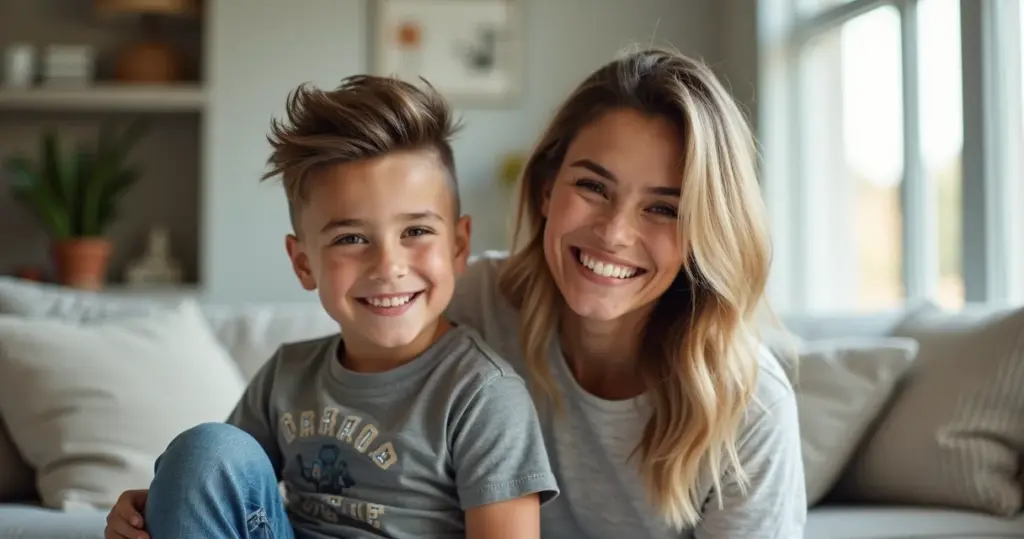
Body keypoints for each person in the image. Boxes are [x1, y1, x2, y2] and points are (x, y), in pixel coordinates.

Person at [107, 47, 806, 538]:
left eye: (664, 207)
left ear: (706, 227)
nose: (615, 233)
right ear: (544, 188)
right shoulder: (456, 296)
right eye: (592, 185)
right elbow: (230, 476)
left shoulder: (749, 408)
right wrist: (167, 503)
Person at [104, 75, 559, 539]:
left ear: (459, 245)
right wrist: (149, 508)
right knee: (204, 448)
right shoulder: (289, 374)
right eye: (351, 238)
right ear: (304, 264)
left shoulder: (483, 396)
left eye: (416, 231)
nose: (388, 265)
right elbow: (214, 485)